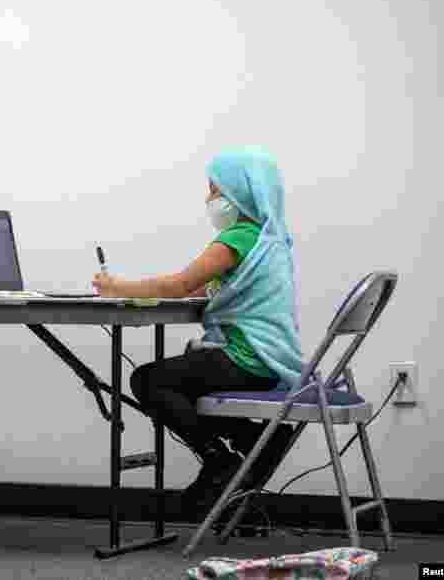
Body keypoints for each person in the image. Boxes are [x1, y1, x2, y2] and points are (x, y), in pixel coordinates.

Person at [92, 145, 302, 513]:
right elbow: (203, 289)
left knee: (149, 381)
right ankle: (253, 437)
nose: (209, 198)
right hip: (272, 362)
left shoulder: (236, 239)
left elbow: (179, 285)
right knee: (182, 380)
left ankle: (219, 459)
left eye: (215, 189)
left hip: (246, 361)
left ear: (241, 192)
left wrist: (117, 287)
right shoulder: (270, 242)